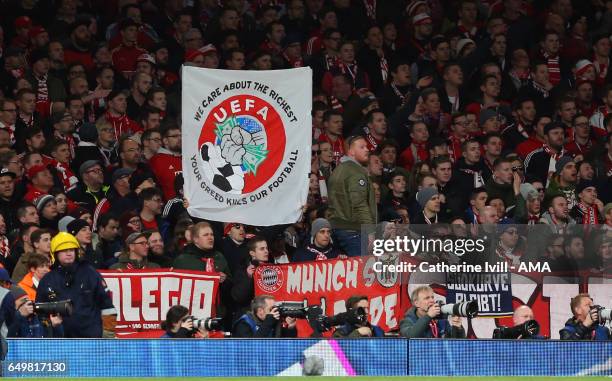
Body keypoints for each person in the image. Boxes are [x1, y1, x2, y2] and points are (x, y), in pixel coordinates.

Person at [36, 232, 116, 338]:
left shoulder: (90, 273)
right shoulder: (47, 280)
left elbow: (107, 306)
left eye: (71, 250)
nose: (69, 253)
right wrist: (49, 324)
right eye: (64, 250)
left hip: (91, 339)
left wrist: (108, 334)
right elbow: (39, 312)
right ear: (54, 254)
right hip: (60, 341)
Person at [328, 136, 376, 257]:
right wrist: (370, 231)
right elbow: (359, 204)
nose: (367, 150)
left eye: (366, 146)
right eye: (362, 147)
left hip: (337, 228)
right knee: (363, 271)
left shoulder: (337, 170)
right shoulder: (355, 173)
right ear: (351, 151)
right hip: (354, 230)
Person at [399, 285, 465, 338]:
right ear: (416, 303)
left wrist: (458, 328)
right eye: (427, 298)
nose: (432, 300)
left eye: (432, 297)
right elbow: (410, 335)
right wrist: (428, 316)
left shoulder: (441, 319)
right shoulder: (407, 320)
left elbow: (455, 344)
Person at [231, 295, 297, 338]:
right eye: (271, 309)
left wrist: (290, 328)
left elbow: (285, 342)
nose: (274, 311)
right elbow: (252, 345)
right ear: (260, 311)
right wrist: (268, 321)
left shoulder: (273, 321)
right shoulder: (243, 324)